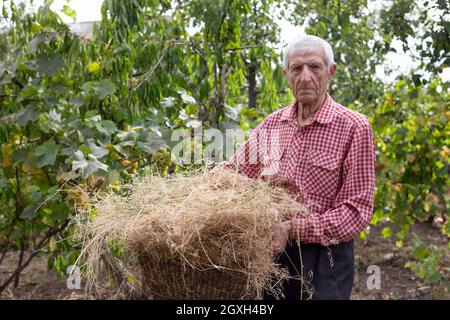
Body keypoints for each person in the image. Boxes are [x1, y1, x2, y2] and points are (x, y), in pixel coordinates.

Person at [214, 34, 376, 300]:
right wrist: (204, 181)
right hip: (273, 254)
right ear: (286, 74)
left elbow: (356, 211)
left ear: (331, 72)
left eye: (314, 67)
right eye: (296, 69)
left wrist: (293, 228)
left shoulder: (353, 127)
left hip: (326, 258)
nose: (305, 77)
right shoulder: (272, 124)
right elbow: (237, 171)